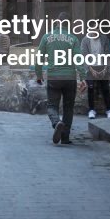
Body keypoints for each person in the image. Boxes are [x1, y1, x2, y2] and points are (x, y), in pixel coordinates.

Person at [36, 13, 86, 145]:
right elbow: (79, 60)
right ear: (68, 24)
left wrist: (39, 75)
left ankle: (56, 122)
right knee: (68, 107)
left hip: (54, 77)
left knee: (52, 105)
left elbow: (39, 58)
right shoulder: (73, 39)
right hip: (70, 78)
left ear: (57, 22)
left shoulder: (47, 37)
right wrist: (83, 78)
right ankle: (65, 137)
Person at [83, 32, 110, 119]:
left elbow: (107, 54)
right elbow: (84, 55)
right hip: (90, 67)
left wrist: (106, 68)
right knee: (90, 89)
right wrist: (90, 69)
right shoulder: (85, 40)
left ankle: (109, 110)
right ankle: (91, 110)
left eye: (96, 29)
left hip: (102, 66)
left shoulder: (104, 39)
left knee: (105, 89)